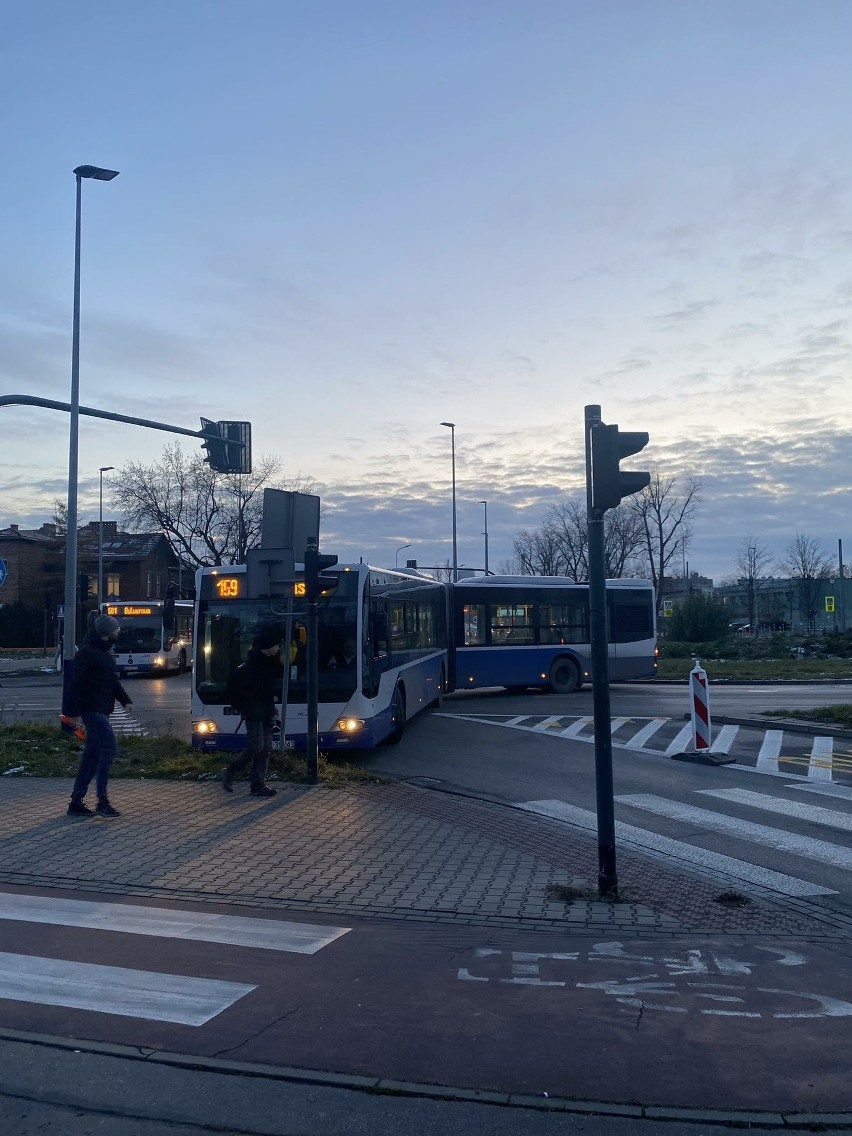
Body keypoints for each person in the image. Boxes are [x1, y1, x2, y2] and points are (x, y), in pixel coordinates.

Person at [65, 614, 132, 819]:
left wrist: (124, 699)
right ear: (106, 633)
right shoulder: (88, 653)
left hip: (102, 709)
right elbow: (75, 683)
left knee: (92, 756)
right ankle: (102, 801)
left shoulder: (105, 652)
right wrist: (73, 713)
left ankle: (76, 802)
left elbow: (112, 681)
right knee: (109, 748)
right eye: (116, 629)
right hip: (91, 710)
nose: (118, 632)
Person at [222, 626, 284, 798]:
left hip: (266, 712)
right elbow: (236, 690)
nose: (278, 649)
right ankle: (231, 770)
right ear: (267, 647)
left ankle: (258, 784)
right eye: (276, 646)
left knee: (265, 749)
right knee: (257, 747)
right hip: (254, 714)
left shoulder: (270, 663)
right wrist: (246, 706)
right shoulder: (249, 667)